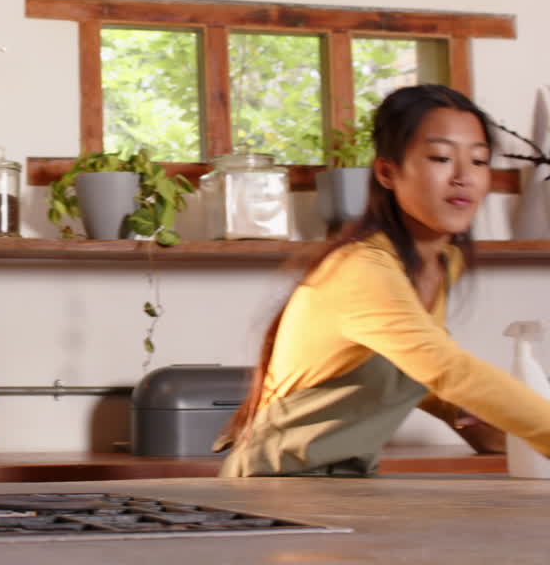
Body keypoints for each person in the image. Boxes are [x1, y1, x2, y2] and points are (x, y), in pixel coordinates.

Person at [217, 84, 550, 477]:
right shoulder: (361, 269)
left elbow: (408, 362)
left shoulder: (442, 263)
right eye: (441, 157)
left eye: (478, 161)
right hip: (274, 483)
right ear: (388, 172)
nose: (464, 177)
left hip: (346, 483)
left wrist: (461, 412)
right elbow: (446, 368)